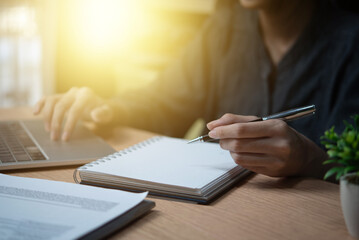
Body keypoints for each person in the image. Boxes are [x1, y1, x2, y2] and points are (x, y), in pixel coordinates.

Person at [34, 0, 359, 181]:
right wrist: (107, 109)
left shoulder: (351, 40)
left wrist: (309, 159)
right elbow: (164, 101)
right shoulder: (225, 27)